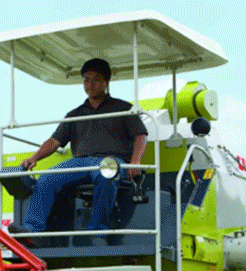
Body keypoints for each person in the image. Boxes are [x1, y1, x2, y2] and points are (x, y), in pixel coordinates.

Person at [8, 58, 148, 239]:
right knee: (46, 179)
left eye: (96, 79)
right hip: (80, 162)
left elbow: (140, 135)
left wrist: (136, 161)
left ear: (106, 82)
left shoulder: (123, 108)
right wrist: (35, 158)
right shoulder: (75, 114)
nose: (90, 84)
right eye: (86, 80)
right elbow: (54, 141)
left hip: (111, 162)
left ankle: (97, 231)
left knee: (106, 175)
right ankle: (32, 230)